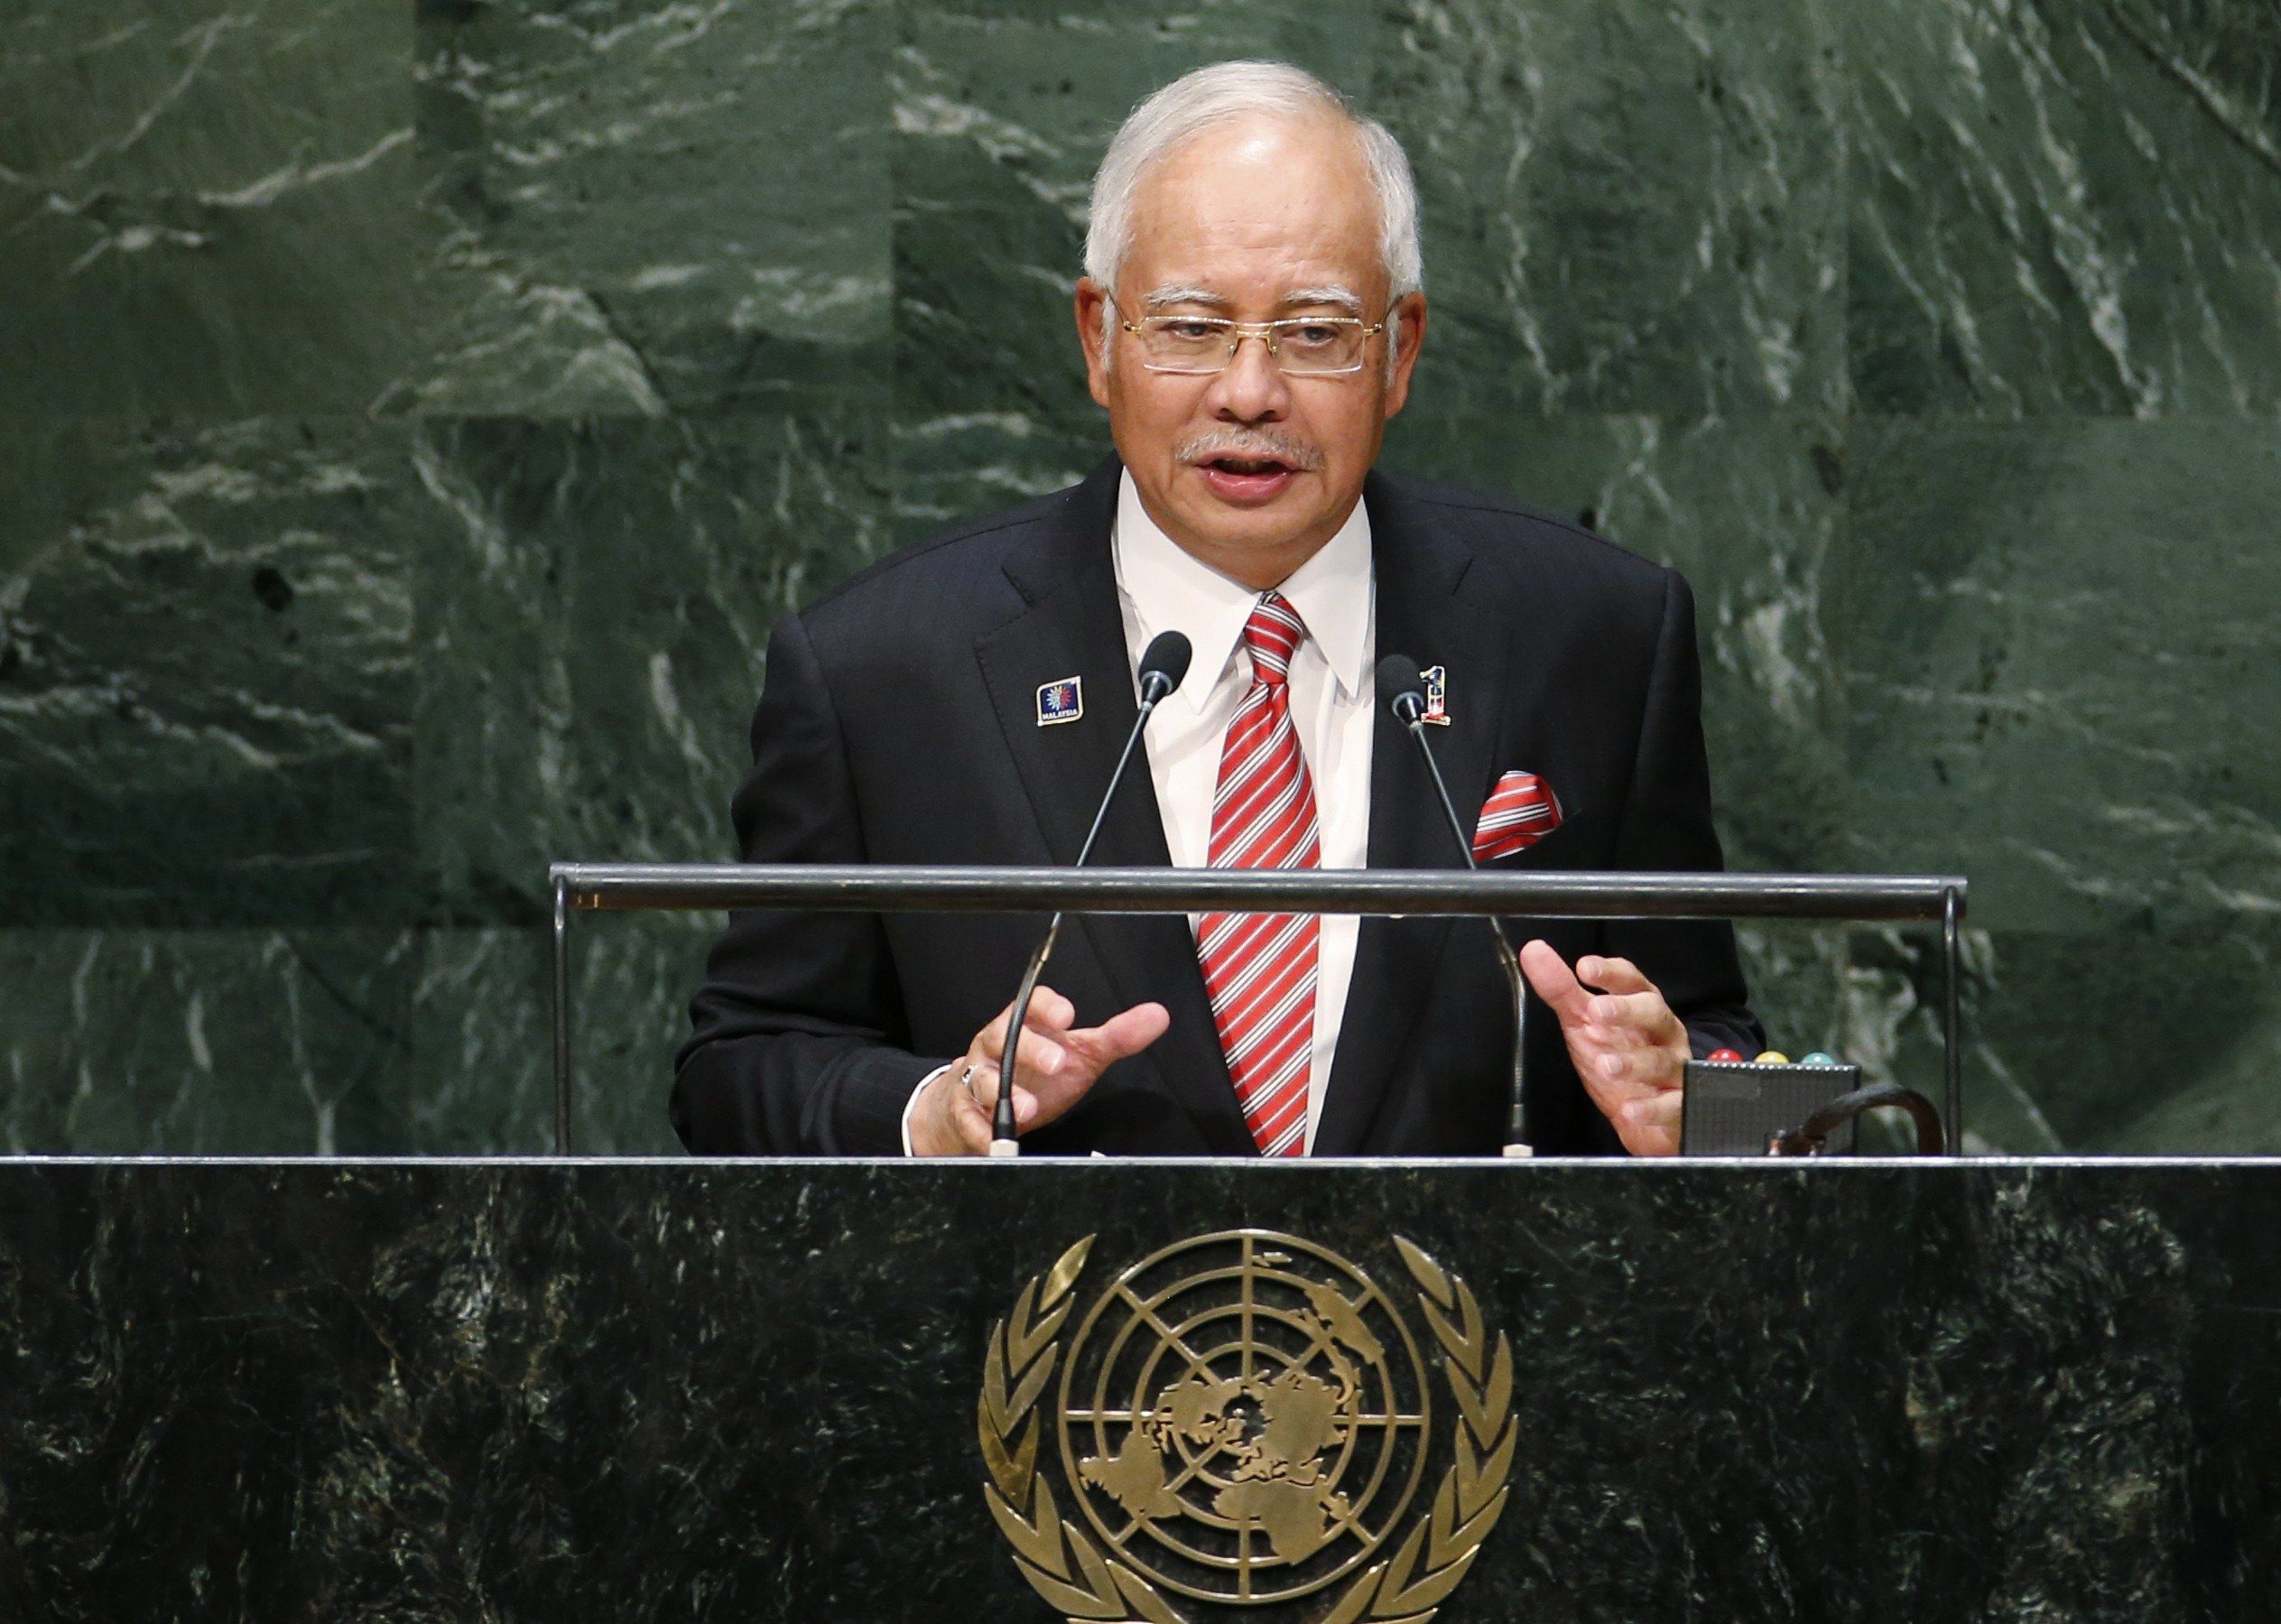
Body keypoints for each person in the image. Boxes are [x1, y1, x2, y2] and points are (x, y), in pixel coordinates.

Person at [672, 60, 1761, 1159]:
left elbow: (1719, 1042)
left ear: (1400, 350)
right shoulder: (884, 670)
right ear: (1098, 339)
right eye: (1191, 328)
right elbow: (738, 1069)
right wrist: (936, 1111)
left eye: (1316, 332)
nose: (1249, 391)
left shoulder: (1593, 635)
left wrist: (1688, 1104)